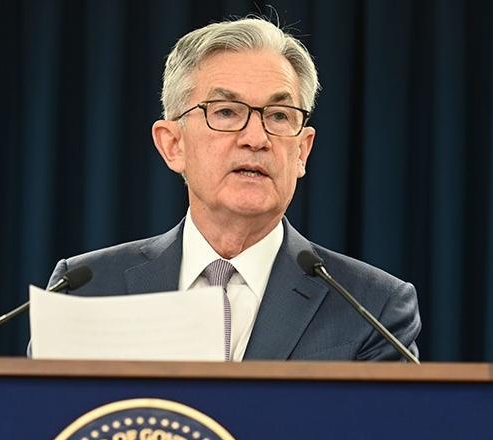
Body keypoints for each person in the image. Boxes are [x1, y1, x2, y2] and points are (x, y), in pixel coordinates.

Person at [46, 17, 420, 361]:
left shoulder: (372, 308)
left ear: (302, 151)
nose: (256, 138)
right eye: (226, 112)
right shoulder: (84, 290)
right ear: (173, 144)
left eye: (279, 116)